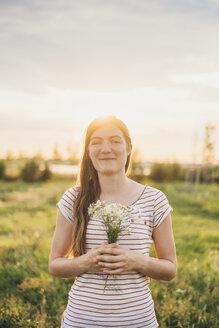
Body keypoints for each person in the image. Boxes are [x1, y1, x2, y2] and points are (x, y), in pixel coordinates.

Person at [49, 115, 177, 328]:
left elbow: (170, 269)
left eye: (115, 141)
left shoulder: (155, 199)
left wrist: (136, 261)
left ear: (128, 148)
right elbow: (55, 265)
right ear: (88, 151)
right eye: (96, 142)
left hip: (138, 321)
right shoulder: (74, 198)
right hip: (81, 321)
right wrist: (86, 262)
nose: (106, 148)